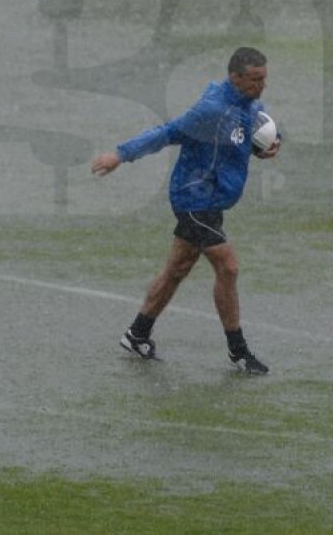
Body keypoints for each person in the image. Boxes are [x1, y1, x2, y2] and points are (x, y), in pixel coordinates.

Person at [90, 46, 280, 374]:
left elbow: (250, 131)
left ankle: (137, 334)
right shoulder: (210, 110)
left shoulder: (249, 106)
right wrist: (120, 156)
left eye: (264, 79)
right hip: (193, 200)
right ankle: (239, 352)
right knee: (228, 267)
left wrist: (264, 147)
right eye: (254, 80)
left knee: (176, 270)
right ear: (235, 77)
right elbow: (166, 133)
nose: (261, 86)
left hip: (212, 201)